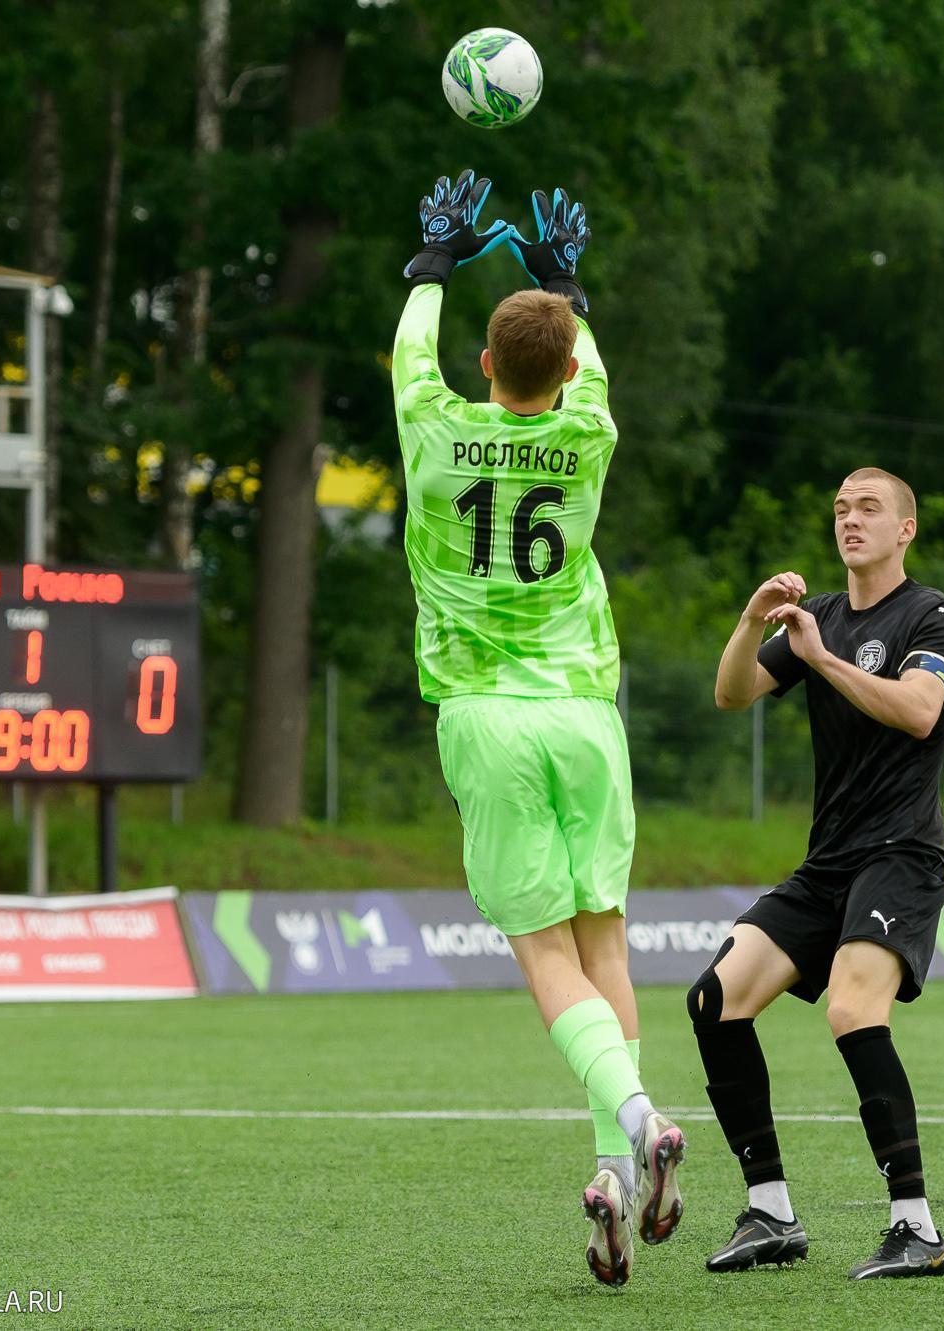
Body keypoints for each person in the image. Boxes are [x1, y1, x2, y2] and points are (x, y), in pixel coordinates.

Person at [391, 169, 684, 1289]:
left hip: (487, 717)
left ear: (484, 364)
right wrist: (566, 282)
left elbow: (408, 358)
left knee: (546, 955)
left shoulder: (433, 432)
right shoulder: (588, 429)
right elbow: (587, 364)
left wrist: (434, 263)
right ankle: (613, 1162)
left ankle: (640, 1118)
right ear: (564, 370)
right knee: (606, 942)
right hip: (584, 716)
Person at [695, 467, 944, 1280]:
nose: (851, 519)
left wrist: (823, 660)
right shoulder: (820, 615)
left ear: (904, 528)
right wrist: (752, 621)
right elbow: (731, 693)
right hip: (830, 861)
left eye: (869, 508)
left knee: (851, 1009)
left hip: (902, 854)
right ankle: (771, 1212)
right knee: (716, 998)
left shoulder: (930, 613)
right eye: (842, 508)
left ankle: (916, 1227)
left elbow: (918, 710)